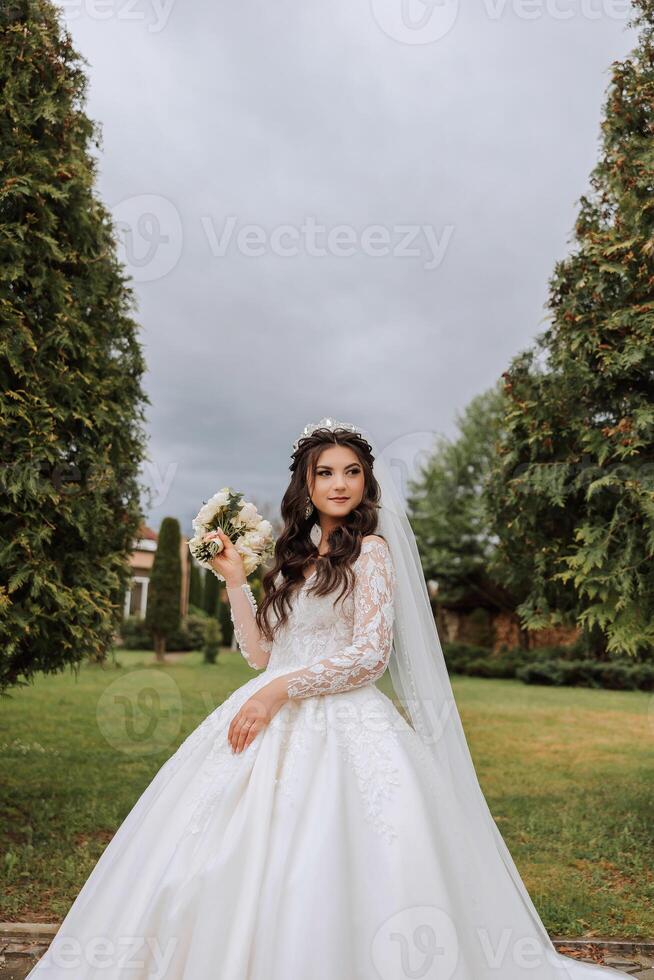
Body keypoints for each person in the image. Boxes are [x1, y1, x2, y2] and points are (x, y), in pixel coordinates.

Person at [26, 418, 632, 980]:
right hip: (266, 707)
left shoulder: (371, 554)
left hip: (343, 720)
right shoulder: (288, 558)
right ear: (305, 483)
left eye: (351, 472)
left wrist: (277, 694)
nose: (338, 483)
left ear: (366, 482)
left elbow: (369, 656)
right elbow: (262, 654)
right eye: (325, 472)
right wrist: (237, 581)